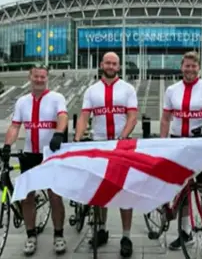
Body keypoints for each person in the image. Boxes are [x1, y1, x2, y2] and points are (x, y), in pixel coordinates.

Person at [160, 51, 202, 258]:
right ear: (182, 67)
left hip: (200, 144)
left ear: (199, 68)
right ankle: (186, 232)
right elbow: (165, 119)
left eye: (193, 66)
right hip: (178, 142)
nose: (189, 69)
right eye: (186, 66)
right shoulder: (172, 90)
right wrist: (162, 144)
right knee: (182, 190)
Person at [73, 52, 138, 258]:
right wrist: (77, 139)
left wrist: (123, 137)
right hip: (99, 144)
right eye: (107, 63)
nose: (110, 66)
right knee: (100, 190)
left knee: (124, 191)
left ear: (119, 67)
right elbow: (84, 116)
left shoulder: (127, 89)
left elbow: (132, 116)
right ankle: (101, 229)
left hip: (122, 146)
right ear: (102, 65)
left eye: (114, 63)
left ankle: (126, 236)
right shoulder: (92, 90)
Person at [2, 64, 69, 256]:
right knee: (27, 197)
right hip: (29, 154)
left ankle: (58, 235)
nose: (39, 80)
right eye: (36, 77)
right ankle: (30, 236)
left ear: (47, 78)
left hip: (50, 154)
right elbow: (15, 126)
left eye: (42, 77)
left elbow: (62, 117)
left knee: (55, 196)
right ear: (29, 78)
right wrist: (7, 146)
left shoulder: (56, 98)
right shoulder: (23, 101)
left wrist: (58, 133)